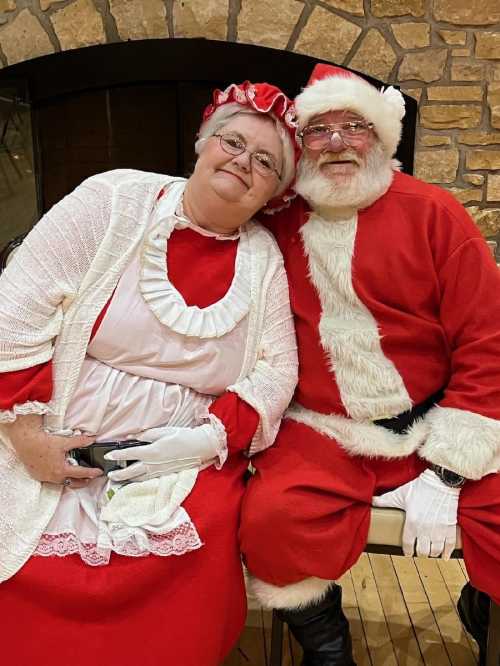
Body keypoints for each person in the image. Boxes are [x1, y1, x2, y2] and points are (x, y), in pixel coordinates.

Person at [0, 80, 299, 666]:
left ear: (274, 192)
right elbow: (16, 311)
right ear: (201, 141)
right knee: (32, 564)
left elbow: (276, 373)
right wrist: (28, 437)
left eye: (264, 162)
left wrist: (206, 438)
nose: (243, 162)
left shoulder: (264, 259)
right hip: (52, 429)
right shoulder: (110, 201)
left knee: (179, 571)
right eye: (232, 142)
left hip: (179, 461)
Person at [240, 63, 500, 666]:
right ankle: (329, 654)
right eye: (318, 130)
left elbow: (487, 342)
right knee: (272, 518)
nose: (335, 143)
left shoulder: (436, 213)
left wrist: (450, 470)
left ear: (382, 137)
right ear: (297, 146)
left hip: (441, 418)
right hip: (323, 429)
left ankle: (483, 613)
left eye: (353, 126)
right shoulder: (272, 225)